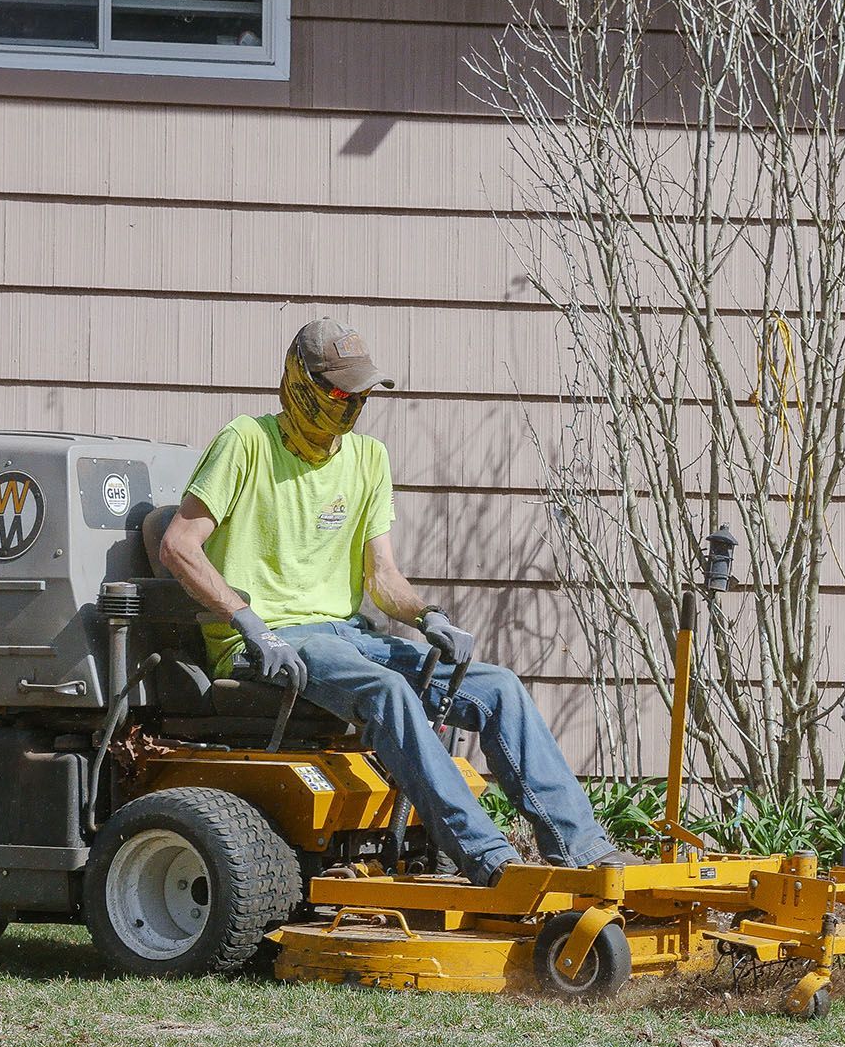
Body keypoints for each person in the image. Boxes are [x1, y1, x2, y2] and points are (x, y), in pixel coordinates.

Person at [157, 317, 639, 887]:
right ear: (300, 381)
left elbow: (383, 577)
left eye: (359, 393)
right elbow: (177, 545)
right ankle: (491, 861)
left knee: (498, 688)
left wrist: (428, 616)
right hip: (266, 641)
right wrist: (249, 622)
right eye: (340, 390)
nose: (351, 403)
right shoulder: (246, 443)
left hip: (346, 636)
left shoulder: (368, 459)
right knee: (388, 690)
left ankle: (582, 850)